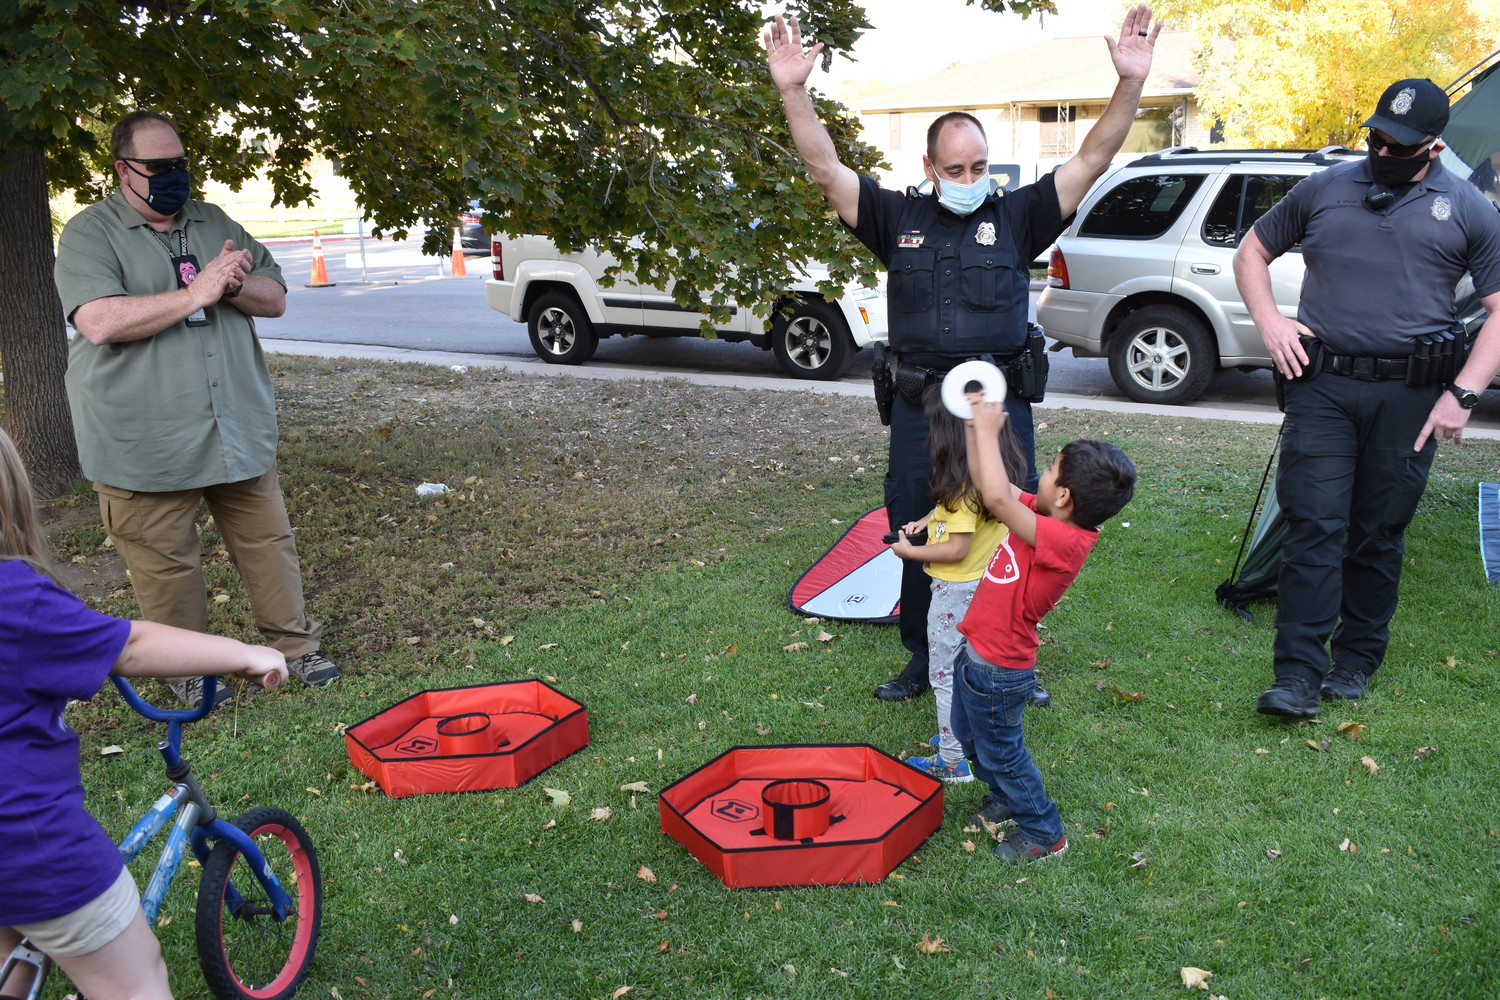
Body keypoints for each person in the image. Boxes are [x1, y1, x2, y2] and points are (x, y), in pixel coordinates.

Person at [764, 6, 1159, 703]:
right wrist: (795, 92)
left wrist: (1128, 83)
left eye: (978, 164)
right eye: (955, 167)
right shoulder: (897, 219)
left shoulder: (1017, 216)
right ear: (930, 167)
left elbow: (1093, 155)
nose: (969, 175)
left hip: (999, 407)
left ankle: (1010, 661)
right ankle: (923, 656)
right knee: (916, 521)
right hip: (921, 406)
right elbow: (825, 169)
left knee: (1012, 529)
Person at [1233, 78, 1500, 718]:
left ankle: (1355, 659)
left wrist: (1462, 395)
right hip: (1322, 386)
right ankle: (1297, 674)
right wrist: (1272, 325)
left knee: (1377, 533)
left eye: (1400, 144)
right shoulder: (1325, 188)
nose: (1383, 150)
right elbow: (1252, 253)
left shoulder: (1469, 208)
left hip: (1411, 395)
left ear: (1434, 147)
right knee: (1314, 525)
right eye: (1377, 136)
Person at [53, 110, 339, 706]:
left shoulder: (214, 222)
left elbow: (276, 296)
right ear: (122, 169)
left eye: (179, 164)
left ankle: (295, 648)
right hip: (142, 437)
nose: (172, 176)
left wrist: (230, 284)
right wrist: (196, 294)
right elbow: (100, 322)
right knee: (165, 563)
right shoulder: (89, 233)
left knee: (267, 542)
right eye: (158, 167)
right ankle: (186, 670)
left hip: (234, 423)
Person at [0, 428, 288, 1000]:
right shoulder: (16, 598)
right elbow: (128, 648)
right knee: (136, 982)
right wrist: (243, 651)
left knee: (17, 964)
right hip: (27, 840)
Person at [950, 404, 1136, 863]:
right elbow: (994, 487)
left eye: (1051, 467)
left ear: (1066, 496)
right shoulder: (1046, 514)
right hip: (976, 657)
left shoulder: (1066, 540)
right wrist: (976, 432)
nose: (1043, 471)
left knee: (1003, 754)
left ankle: (1045, 831)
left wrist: (992, 432)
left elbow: (996, 501)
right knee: (968, 736)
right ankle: (1007, 800)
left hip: (999, 671)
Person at [890, 384, 1019, 783]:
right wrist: (929, 520)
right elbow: (957, 515)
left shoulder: (960, 495)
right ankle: (961, 737)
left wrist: (909, 552)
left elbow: (956, 549)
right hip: (985, 589)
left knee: (944, 674)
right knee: (969, 670)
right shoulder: (985, 480)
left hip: (955, 591)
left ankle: (952, 761)